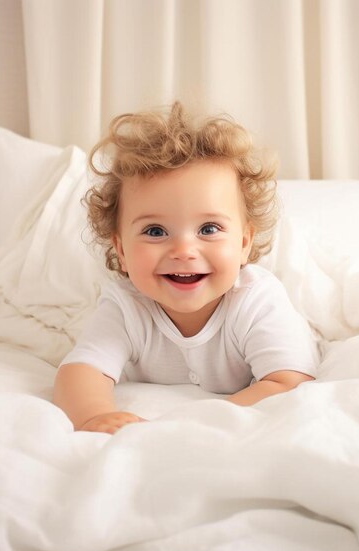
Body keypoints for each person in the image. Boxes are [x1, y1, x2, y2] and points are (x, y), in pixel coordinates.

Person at [54, 102, 319, 434]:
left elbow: (289, 382)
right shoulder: (126, 306)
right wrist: (95, 415)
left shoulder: (255, 300)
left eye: (208, 229)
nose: (183, 251)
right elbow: (80, 372)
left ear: (243, 244)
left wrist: (197, 423)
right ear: (121, 250)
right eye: (155, 231)